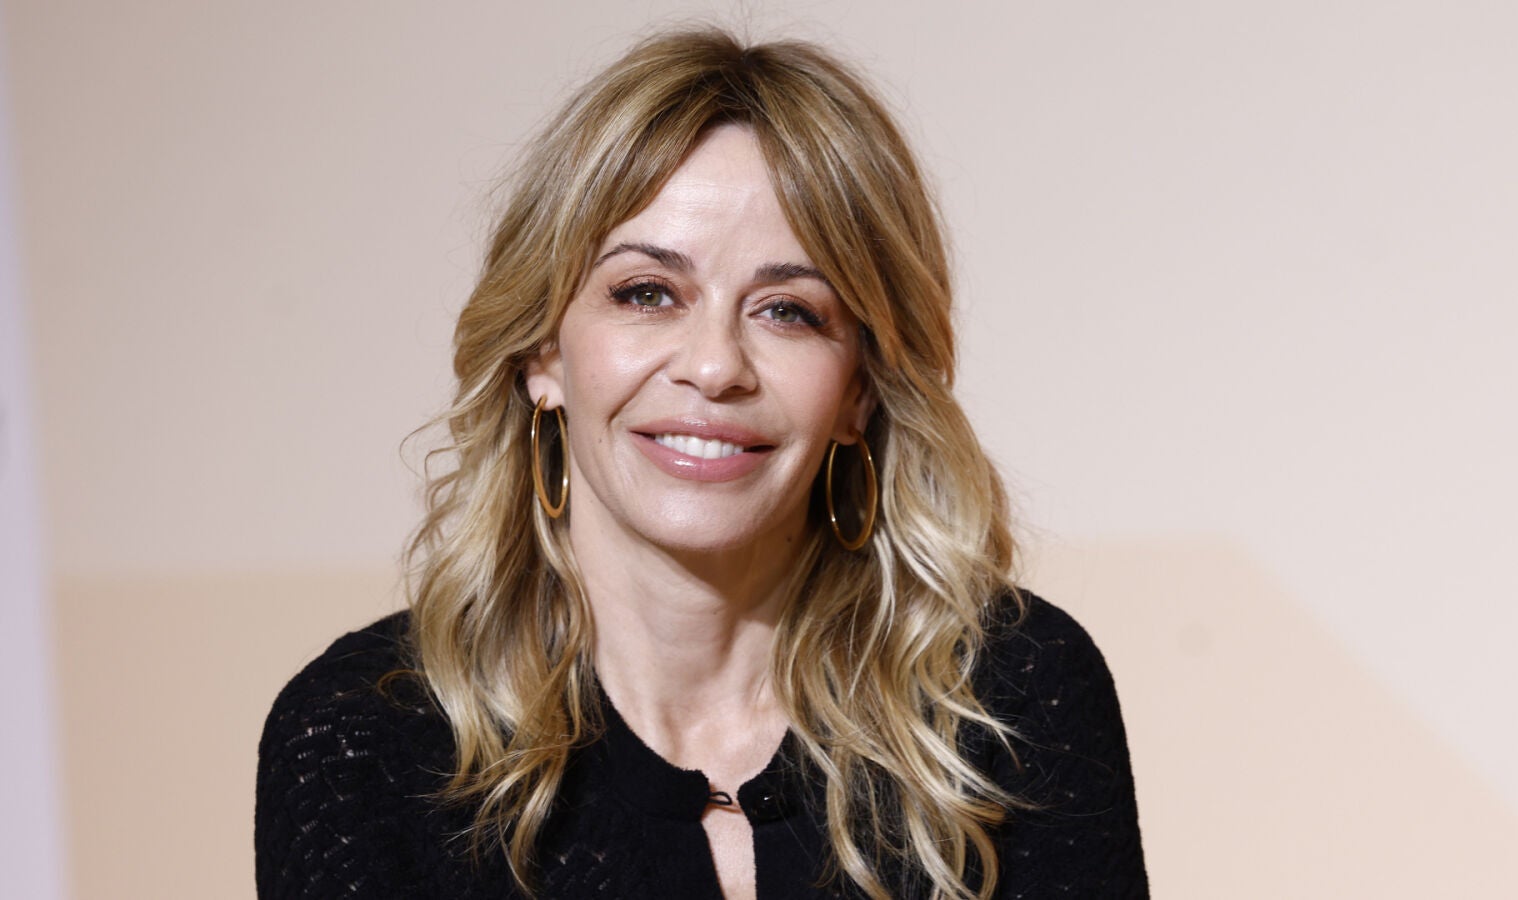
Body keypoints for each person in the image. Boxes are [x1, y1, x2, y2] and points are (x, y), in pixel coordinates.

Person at [255, 27, 1147, 900]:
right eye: (647, 293)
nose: (715, 367)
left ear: (860, 390)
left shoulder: (1011, 696)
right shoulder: (364, 743)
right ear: (543, 355)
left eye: (789, 310)